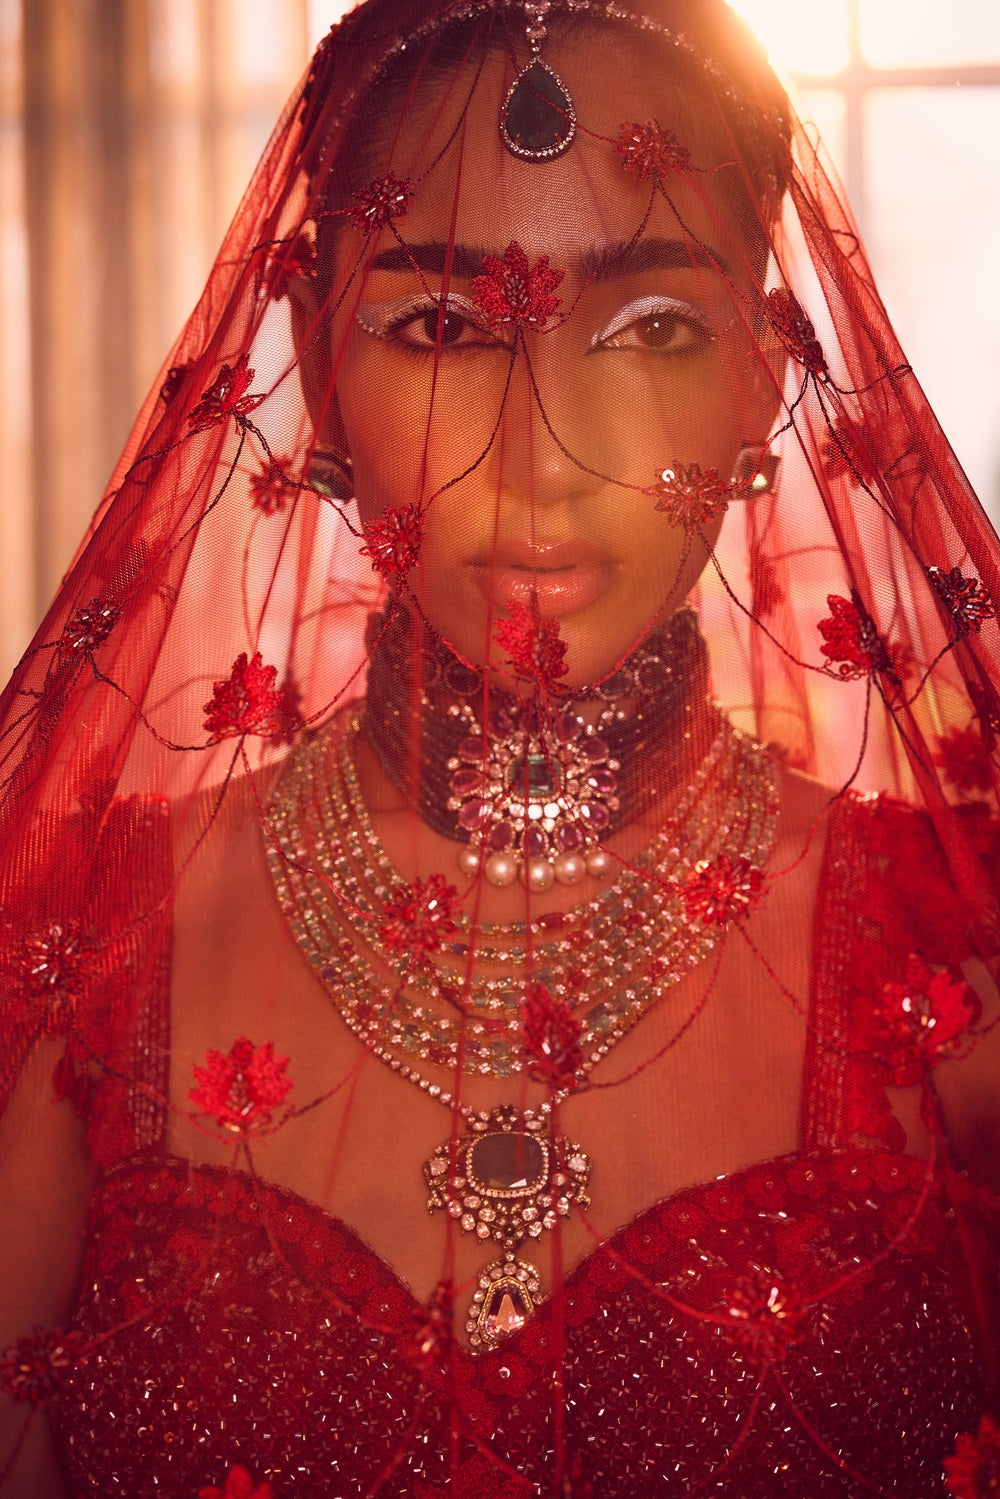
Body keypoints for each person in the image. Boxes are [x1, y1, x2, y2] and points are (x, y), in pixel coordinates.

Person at [1, 0, 998, 1493]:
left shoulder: (960, 963)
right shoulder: (72, 949)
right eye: (442, 328)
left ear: (761, 370)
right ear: (315, 361)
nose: (538, 461)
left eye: (653, 328)